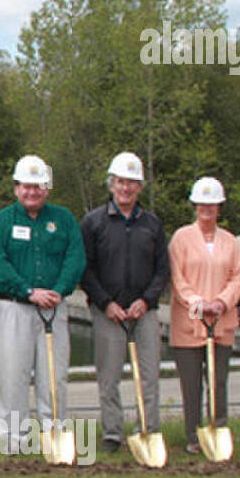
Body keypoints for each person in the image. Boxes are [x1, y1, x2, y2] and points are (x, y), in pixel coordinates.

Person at [0, 155, 85, 454]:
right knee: (12, 376)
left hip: (53, 307)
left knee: (54, 377)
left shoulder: (63, 219)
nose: (32, 192)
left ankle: (54, 437)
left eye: (38, 186)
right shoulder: (1, 222)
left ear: (47, 189)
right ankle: (13, 441)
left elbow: (75, 258)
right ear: (16, 189)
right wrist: (27, 291)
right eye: (26, 186)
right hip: (14, 307)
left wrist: (59, 290)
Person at [79, 151, 169, 453]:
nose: (126, 188)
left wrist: (146, 300)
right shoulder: (93, 222)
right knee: (109, 376)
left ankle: (148, 429)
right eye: (121, 182)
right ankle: (113, 433)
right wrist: (106, 303)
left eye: (132, 183)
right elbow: (85, 269)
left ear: (140, 187)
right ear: (111, 184)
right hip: (108, 312)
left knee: (149, 375)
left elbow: (162, 270)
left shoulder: (152, 224)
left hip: (144, 312)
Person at [167, 176, 240, 454]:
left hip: (221, 322)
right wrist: (199, 305)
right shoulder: (181, 238)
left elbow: (238, 276)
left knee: (218, 380)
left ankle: (218, 428)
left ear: (219, 207)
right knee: (191, 384)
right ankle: (193, 436)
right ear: (194, 205)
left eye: (212, 204)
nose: (207, 209)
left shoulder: (231, 241)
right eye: (202, 203)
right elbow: (178, 279)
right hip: (188, 323)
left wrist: (222, 303)